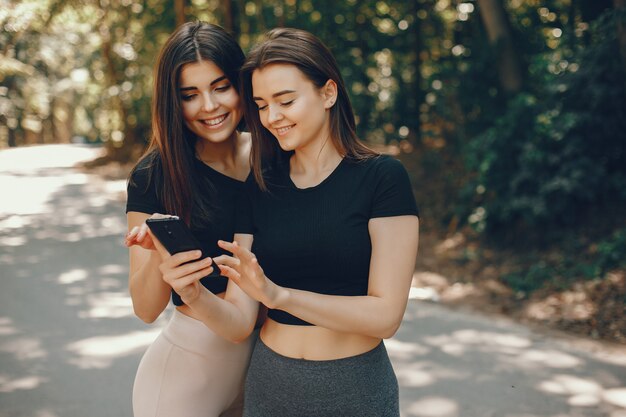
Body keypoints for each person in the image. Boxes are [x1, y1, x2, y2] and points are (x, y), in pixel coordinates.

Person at [215, 28, 420, 417]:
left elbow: (386, 316)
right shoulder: (259, 186)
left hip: (355, 389)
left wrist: (279, 297)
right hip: (270, 385)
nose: (272, 117)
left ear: (328, 93)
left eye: (285, 100)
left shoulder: (382, 178)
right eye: (260, 104)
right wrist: (188, 290)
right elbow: (239, 316)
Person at [124, 21, 257, 417]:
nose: (210, 106)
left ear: (242, 84)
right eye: (190, 95)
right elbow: (146, 309)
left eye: (220, 87)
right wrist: (156, 257)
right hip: (185, 380)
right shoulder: (155, 175)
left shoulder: (276, 157)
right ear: (173, 102)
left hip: (266, 370)